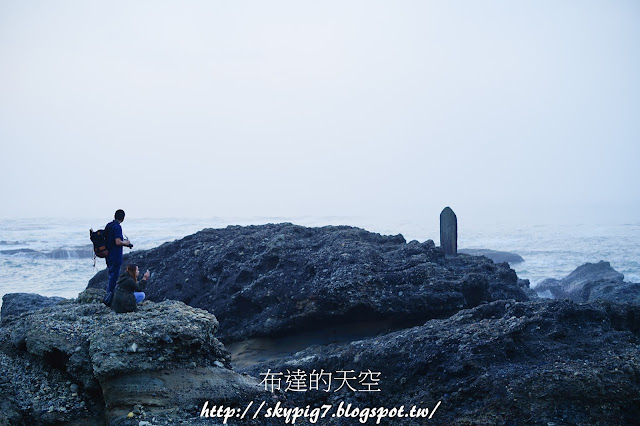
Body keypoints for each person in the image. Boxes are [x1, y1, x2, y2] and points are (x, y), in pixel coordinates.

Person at [105, 209, 133, 296]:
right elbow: (118, 242)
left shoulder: (109, 225)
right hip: (115, 255)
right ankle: (109, 297)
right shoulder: (117, 227)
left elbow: (111, 240)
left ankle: (109, 295)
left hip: (108, 254)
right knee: (114, 277)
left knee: (111, 275)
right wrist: (127, 243)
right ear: (123, 218)